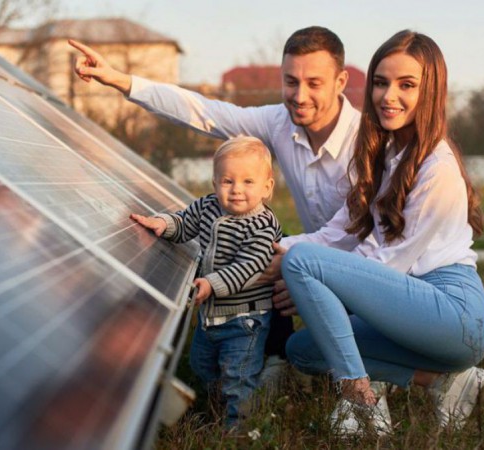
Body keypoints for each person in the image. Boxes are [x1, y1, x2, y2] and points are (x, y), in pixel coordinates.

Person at [70, 27, 359, 378]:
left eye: (314, 83)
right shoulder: (279, 123)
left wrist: (298, 266)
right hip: (314, 261)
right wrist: (120, 80)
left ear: (340, 81)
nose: (299, 95)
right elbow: (204, 111)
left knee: (278, 260)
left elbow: (365, 237)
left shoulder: (366, 142)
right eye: (291, 81)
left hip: (375, 269)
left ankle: (375, 370)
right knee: (265, 264)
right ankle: (273, 357)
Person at [269, 30, 484, 436]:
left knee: (303, 267)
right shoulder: (388, 155)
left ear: (431, 91)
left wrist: (302, 278)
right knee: (302, 350)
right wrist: (270, 251)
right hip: (408, 305)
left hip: (453, 314)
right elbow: (336, 233)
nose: (389, 96)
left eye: (407, 85)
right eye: (380, 82)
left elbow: (386, 264)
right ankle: (446, 382)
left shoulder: (436, 168)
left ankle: (362, 401)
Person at [130, 136, 283, 427]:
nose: (237, 190)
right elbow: (186, 222)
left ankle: (237, 428)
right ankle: (218, 404)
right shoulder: (209, 206)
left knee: (237, 375)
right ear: (214, 184)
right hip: (210, 317)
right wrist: (164, 224)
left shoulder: (263, 226)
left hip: (245, 320)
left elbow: (249, 266)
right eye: (227, 181)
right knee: (201, 364)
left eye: (248, 182)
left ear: (267, 187)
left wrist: (211, 283)